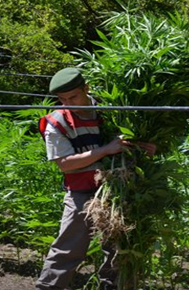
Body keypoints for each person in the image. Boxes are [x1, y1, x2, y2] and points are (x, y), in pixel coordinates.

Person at [35, 67, 156, 290]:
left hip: (118, 191)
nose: (69, 103)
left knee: (119, 251)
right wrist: (104, 150)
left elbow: (130, 141)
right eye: (63, 99)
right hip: (81, 194)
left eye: (74, 96)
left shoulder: (111, 108)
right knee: (68, 250)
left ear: (86, 89)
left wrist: (144, 146)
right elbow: (64, 164)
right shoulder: (57, 122)